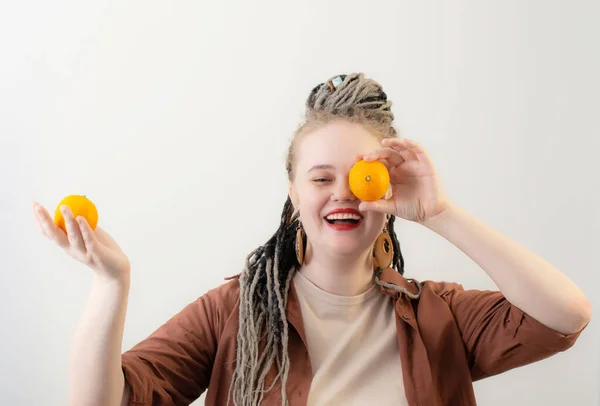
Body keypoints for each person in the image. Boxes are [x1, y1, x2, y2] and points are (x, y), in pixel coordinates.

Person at [33, 72, 591, 406]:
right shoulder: (233, 313)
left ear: (388, 190)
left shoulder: (438, 316)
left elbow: (565, 314)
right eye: (322, 178)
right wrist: (112, 283)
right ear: (294, 193)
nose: (343, 195)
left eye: (359, 179)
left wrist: (439, 212)